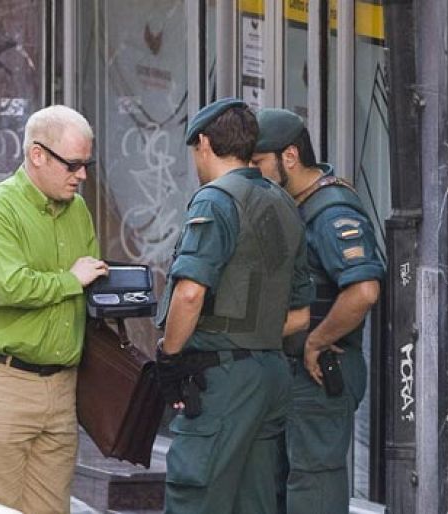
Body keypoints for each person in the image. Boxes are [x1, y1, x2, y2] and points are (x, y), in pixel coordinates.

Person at [155, 98, 315, 514]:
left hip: (222, 380)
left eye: (194, 150)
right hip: (270, 374)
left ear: (204, 143)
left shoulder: (214, 200)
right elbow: (300, 313)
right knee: (255, 501)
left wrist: (169, 357)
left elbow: (190, 293)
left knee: (196, 495)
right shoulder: (283, 202)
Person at [0, 105, 108, 514]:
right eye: (74, 165)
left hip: (62, 385)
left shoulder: (77, 210)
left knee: (52, 507)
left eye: (86, 164)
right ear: (37, 155)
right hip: (4, 380)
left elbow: (90, 278)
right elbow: (8, 286)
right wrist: (70, 280)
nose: (82, 176)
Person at [251, 108, 384, 514]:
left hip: (321, 370)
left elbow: (363, 291)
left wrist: (316, 341)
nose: (253, 173)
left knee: (314, 490)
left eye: (258, 163)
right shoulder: (296, 203)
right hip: (292, 374)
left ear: (289, 156)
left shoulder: (331, 210)